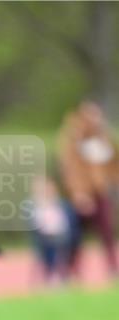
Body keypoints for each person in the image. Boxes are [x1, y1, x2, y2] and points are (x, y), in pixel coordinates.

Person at [58, 100, 119, 278]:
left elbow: (112, 164)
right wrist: (79, 193)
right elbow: (70, 168)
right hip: (82, 195)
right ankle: (70, 271)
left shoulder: (103, 137)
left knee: (107, 232)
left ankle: (112, 268)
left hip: (101, 193)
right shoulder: (73, 137)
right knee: (75, 235)